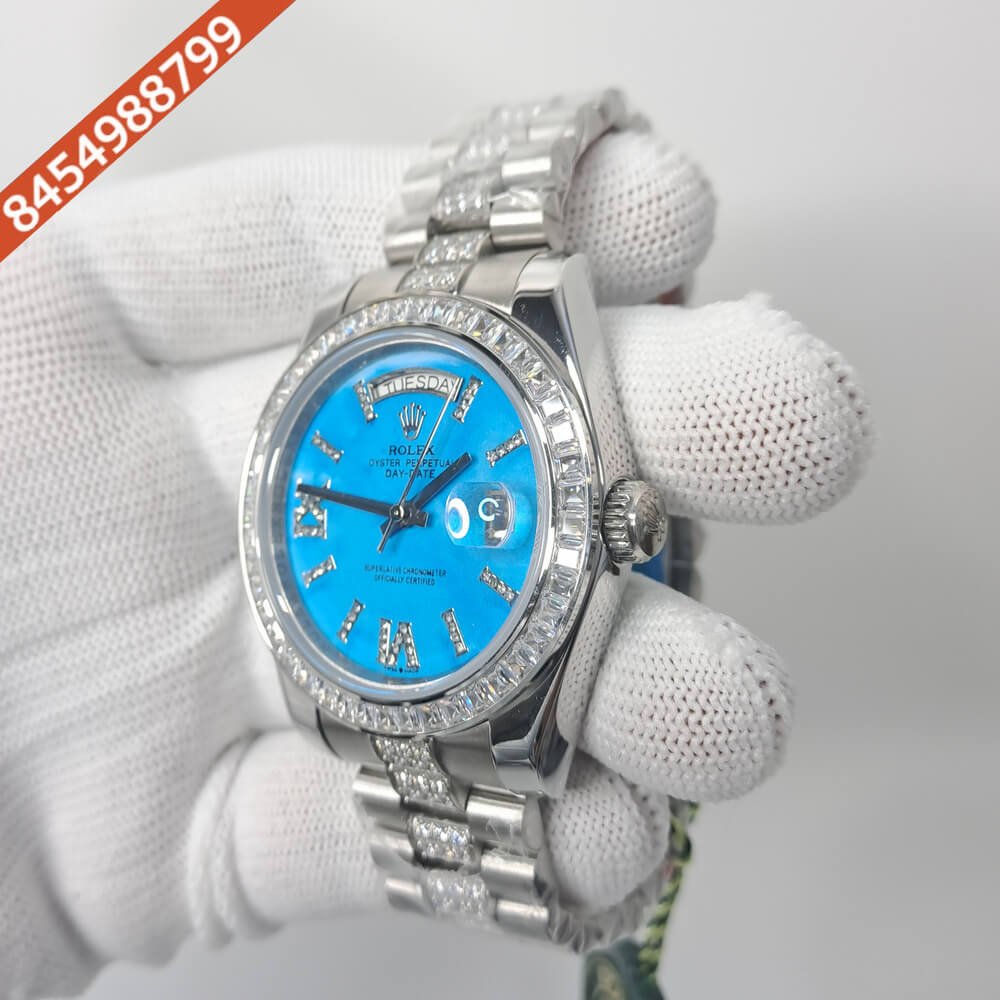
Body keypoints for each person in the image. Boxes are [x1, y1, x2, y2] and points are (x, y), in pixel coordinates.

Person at [0, 129, 871, 998]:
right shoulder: (308, 522)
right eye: (399, 512)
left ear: (624, 525)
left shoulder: (565, 473)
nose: (403, 514)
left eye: (406, 510)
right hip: (362, 651)